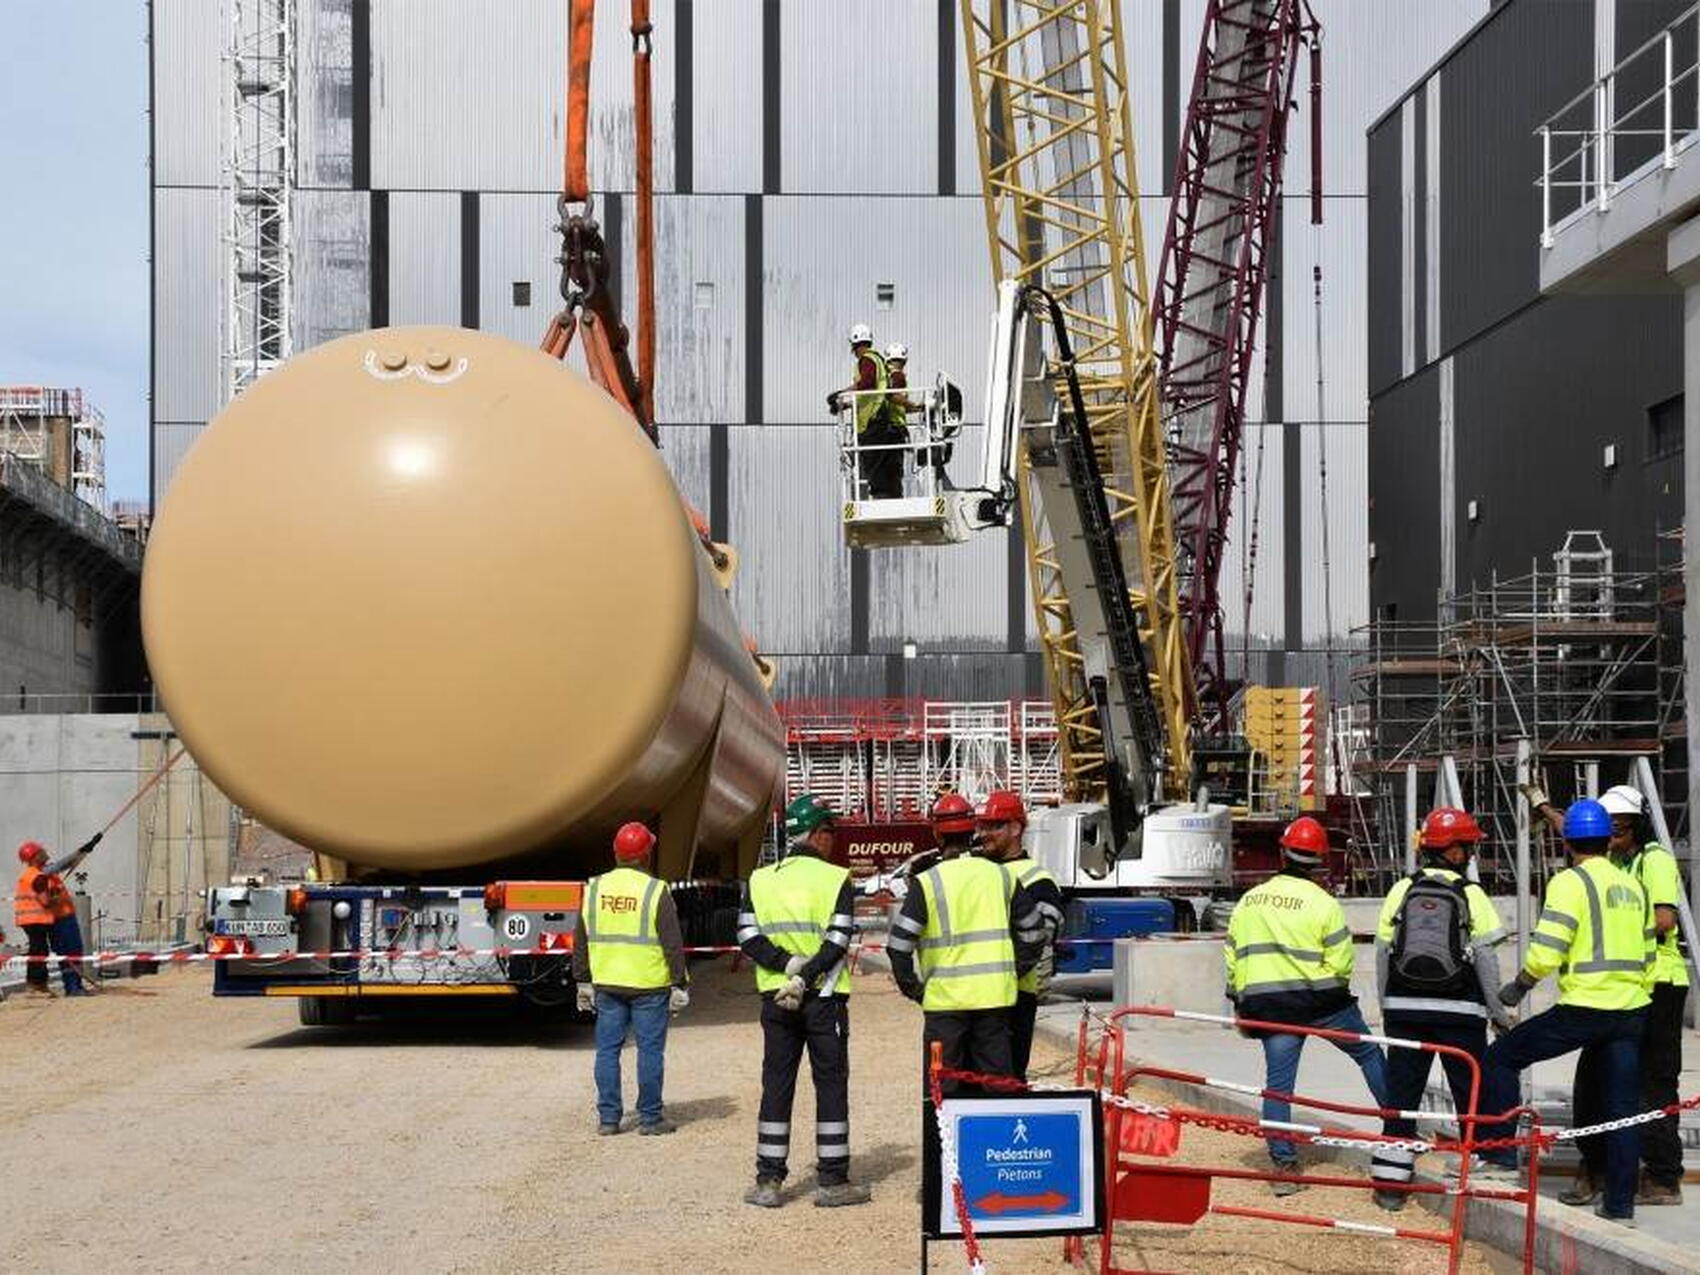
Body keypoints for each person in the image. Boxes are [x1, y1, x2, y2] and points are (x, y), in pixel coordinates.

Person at [1479, 799, 1652, 1224]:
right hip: (1631, 1009)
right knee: (1622, 1109)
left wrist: (1518, 987)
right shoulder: (1632, 885)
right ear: (1608, 839)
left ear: (1568, 840)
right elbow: (1649, 952)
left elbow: (1548, 949)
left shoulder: (1570, 883)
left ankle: (1501, 1158)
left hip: (1585, 1007)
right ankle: (1619, 1206)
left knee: (1502, 1057)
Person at [1225, 815, 1388, 1197]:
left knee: (1279, 1088)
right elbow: (1341, 964)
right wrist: (1327, 997)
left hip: (1269, 1007)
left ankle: (1283, 1166)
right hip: (1321, 1004)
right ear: (1319, 859)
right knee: (1368, 1053)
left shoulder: (1250, 900)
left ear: (1283, 852)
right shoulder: (1323, 903)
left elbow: (1233, 957)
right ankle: (1401, 1127)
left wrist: (1240, 1003)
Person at [1367, 808, 1510, 1211]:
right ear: (1453, 851)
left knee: (1401, 1097)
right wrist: (1497, 1012)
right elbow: (1486, 959)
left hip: (1403, 1009)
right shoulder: (1471, 893)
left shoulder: (1401, 890)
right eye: (1468, 847)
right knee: (1469, 1093)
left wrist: (1388, 1006)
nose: (1471, 854)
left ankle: (1391, 1188)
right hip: (1460, 1011)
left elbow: (1382, 954)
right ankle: (1471, 1176)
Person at [737, 794, 870, 1209]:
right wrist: (806, 973)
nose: (834, 840)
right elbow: (838, 939)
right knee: (830, 1084)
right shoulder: (835, 880)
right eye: (831, 831)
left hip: (775, 1000)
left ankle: (768, 1181)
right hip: (823, 999)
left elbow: (746, 936)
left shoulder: (760, 880)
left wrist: (785, 965)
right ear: (817, 834)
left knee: (776, 1083)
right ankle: (832, 1180)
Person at [1573, 785, 1686, 1207]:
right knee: (1595, 1078)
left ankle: (1662, 1176)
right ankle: (1598, 1167)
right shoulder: (1614, 861)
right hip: (1623, 985)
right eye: (1607, 831)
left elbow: (1664, 918)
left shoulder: (1653, 859)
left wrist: (1618, 934)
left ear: (1636, 826)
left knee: (1654, 1081)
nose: (1612, 838)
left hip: (1661, 983)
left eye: (1619, 830)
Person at [888, 793, 1046, 1097]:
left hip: (944, 1007)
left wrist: (916, 989)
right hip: (994, 1003)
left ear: (937, 833)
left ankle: (944, 1146)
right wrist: (1013, 971)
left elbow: (898, 946)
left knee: (942, 1094)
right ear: (972, 829)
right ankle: (996, 1146)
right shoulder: (1000, 876)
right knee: (997, 1092)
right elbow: (1033, 933)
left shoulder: (928, 882)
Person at [571, 822, 690, 1136]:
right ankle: (651, 1119)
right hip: (649, 985)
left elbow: (581, 938)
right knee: (649, 1051)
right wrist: (679, 982)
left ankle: (609, 1119)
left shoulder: (594, 888)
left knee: (607, 1051)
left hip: (607, 983)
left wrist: (582, 980)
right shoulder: (655, 890)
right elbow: (672, 942)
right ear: (647, 855)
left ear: (616, 852)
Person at [975, 789, 1064, 1082]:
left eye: (993, 826)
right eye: (981, 826)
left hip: (1014, 1000)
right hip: (973, 997)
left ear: (1016, 829)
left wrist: (1004, 975)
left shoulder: (1038, 881)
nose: (983, 834)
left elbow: (1040, 941)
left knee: (1007, 1085)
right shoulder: (975, 873)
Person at [827, 324, 903, 499]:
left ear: (855, 344)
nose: (853, 352)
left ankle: (880, 496)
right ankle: (887, 494)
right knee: (882, 465)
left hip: (872, 422)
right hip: (879, 418)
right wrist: (844, 405)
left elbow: (866, 384)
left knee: (873, 462)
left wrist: (842, 393)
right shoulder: (878, 360)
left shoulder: (867, 360)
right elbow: (867, 395)